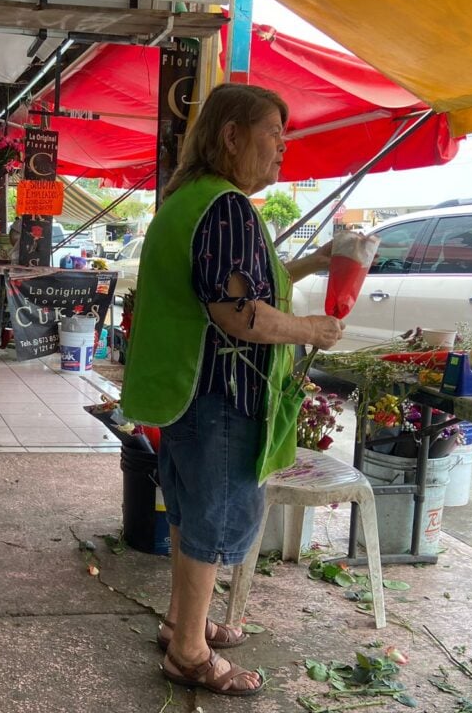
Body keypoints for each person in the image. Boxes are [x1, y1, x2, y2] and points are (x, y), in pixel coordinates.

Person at [120, 83, 345, 697]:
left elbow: (235, 279)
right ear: (231, 136)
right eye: (274, 136)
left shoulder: (190, 199)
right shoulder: (224, 206)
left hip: (184, 389)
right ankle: (188, 653)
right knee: (216, 521)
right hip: (217, 391)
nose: (281, 153)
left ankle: (180, 625)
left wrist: (310, 263)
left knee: (193, 514)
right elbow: (237, 311)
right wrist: (310, 330)